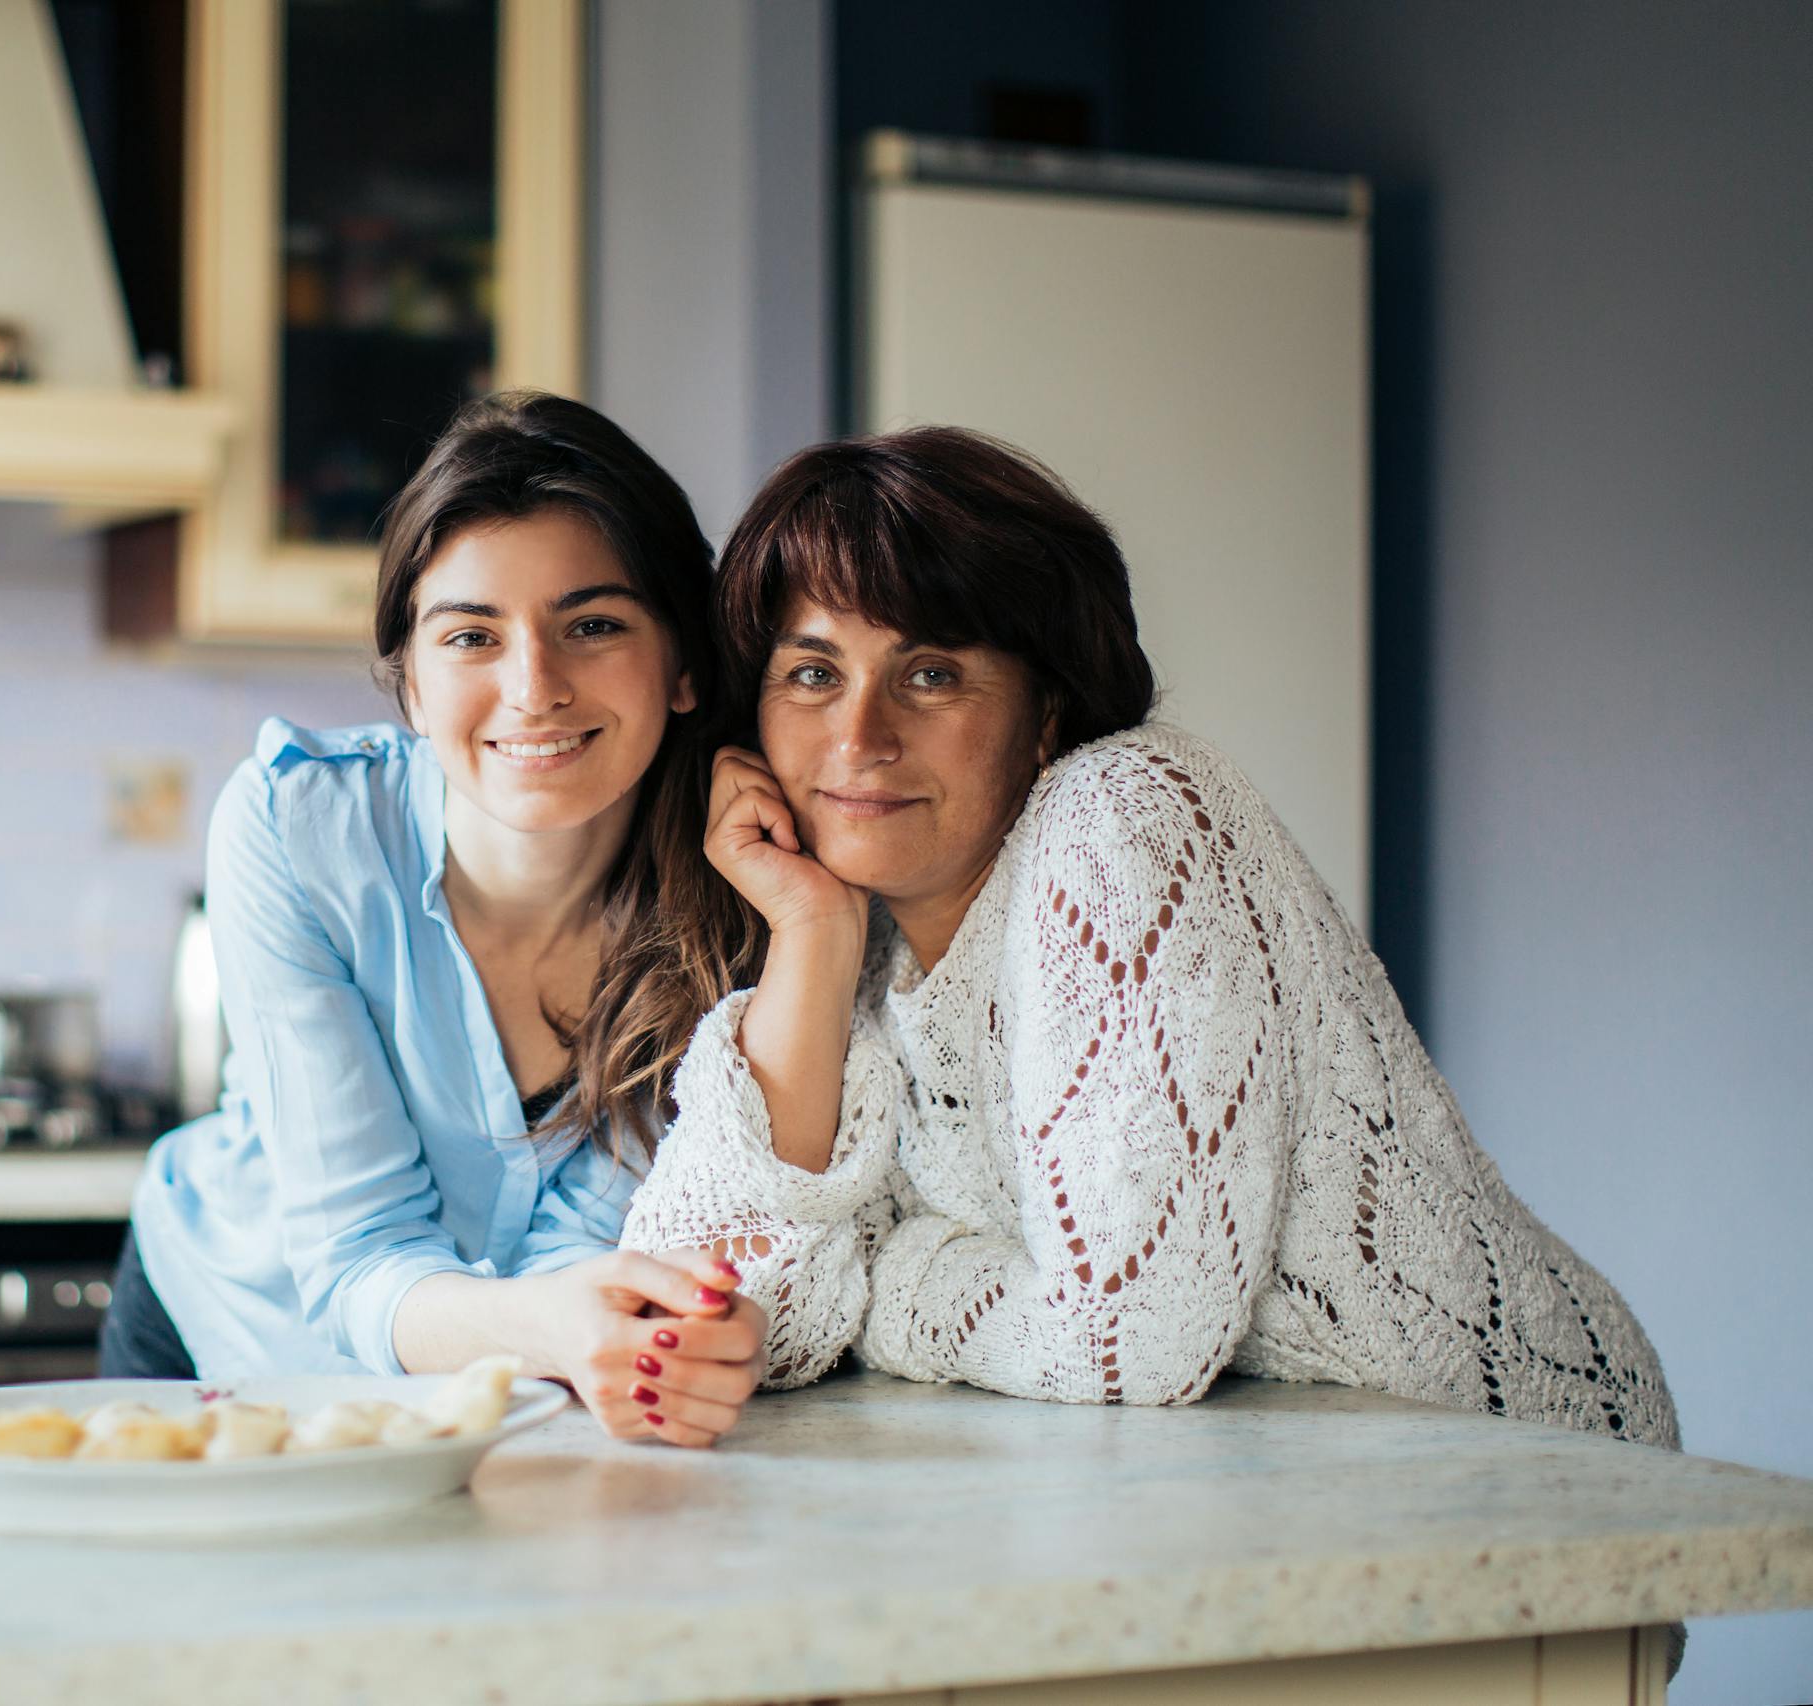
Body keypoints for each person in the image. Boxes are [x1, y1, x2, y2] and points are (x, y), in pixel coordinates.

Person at [622, 426, 1677, 1448]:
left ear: (1044, 715)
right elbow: (695, 1317)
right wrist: (808, 936)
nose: (859, 736)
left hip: (1517, 1455)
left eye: (931, 672)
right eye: (812, 674)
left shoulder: (1123, 814)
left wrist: (890, 1278)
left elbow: (1130, 1341)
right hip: (1262, 1486)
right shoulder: (855, 940)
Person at [110, 392, 768, 1448]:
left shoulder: (742, 894)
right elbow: (357, 1251)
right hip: (232, 1331)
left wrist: (604, 1324)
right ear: (407, 682)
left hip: (514, 1388)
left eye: (592, 624)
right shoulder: (297, 825)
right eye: (471, 635)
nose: (533, 687)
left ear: (682, 662)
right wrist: (556, 1323)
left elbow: (601, 1258)